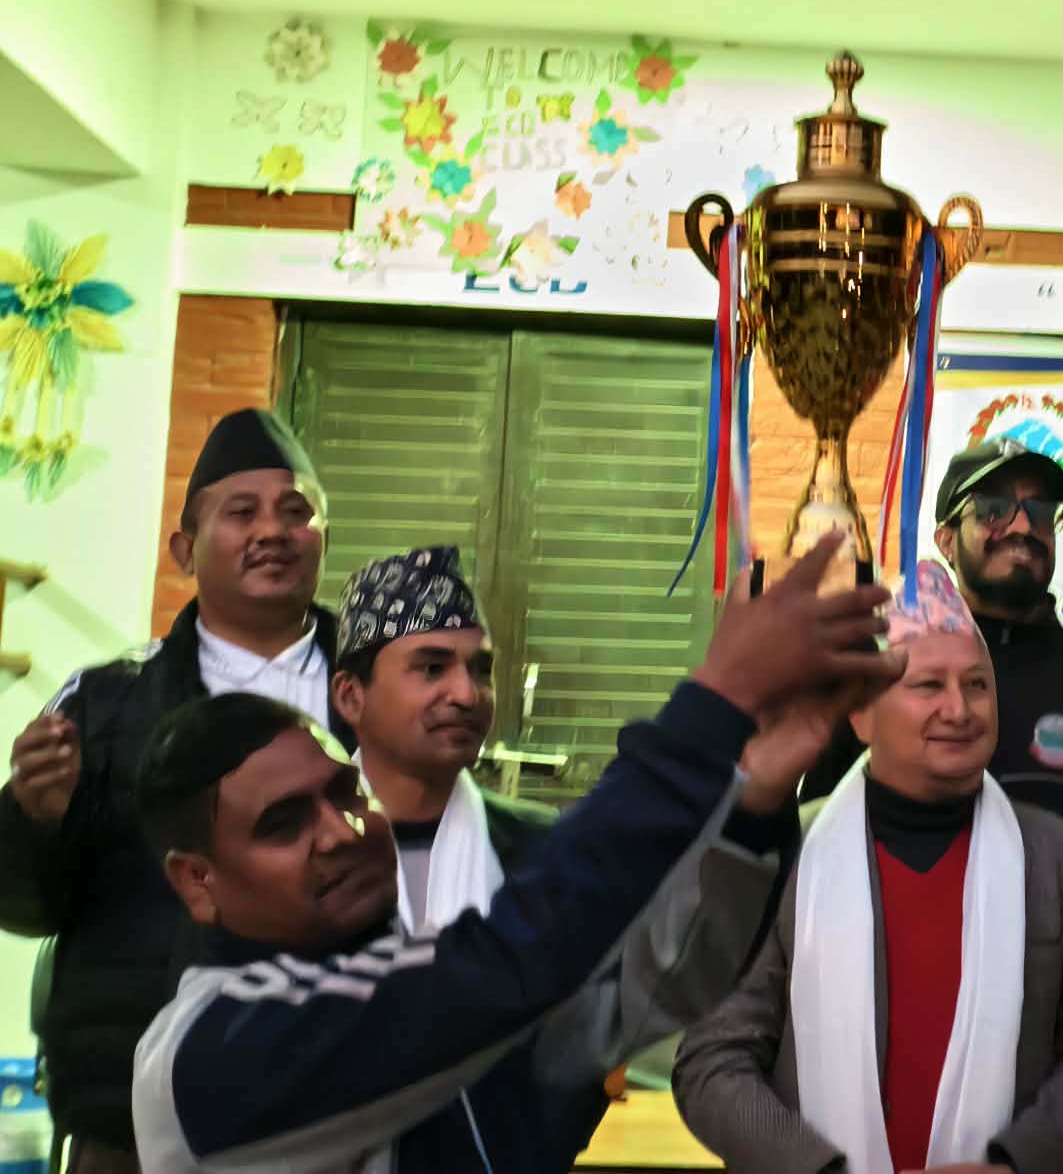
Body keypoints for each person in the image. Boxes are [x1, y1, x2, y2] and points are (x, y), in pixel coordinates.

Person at [129, 536, 899, 1174]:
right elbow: (501, 967)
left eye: (344, 795)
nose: (340, 832)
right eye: (283, 825)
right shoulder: (207, 1051)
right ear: (197, 882)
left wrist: (755, 797)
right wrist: (712, 705)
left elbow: (650, 988)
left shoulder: (430, 959)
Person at [676, 561, 1063, 1174]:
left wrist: (1016, 1164)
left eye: (977, 685)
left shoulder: (1054, 857)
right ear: (862, 714)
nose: (959, 709)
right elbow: (712, 1060)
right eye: (928, 686)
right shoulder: (784, 854)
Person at [0, 408, 339, 1173]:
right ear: (185, 550)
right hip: (136, 1125)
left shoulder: (380, 699)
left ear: (325, 537)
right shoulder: (104, 705)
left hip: (344, 1112)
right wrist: (32, 821)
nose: (272, 530)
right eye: (241, 512)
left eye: (295, 511)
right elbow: (24, 904)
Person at [803, 436, 1063, 987]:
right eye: (993, 510)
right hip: (885, 1001)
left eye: (1039, 511)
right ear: (945, 539)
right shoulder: (879, 683)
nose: (1022, 527)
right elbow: (816, 853)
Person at [328, 546, 553, 934]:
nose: (467, 695)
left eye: (481, 670)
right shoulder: (295, 854)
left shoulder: (544, 851)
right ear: (351, 697)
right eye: (433, 668)